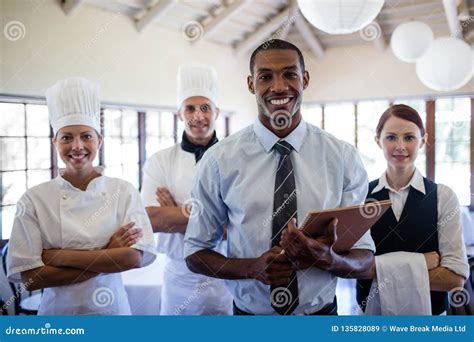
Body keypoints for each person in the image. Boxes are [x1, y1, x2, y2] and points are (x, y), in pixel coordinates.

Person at [184, 39, 375, 316]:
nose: (278, 87)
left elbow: (365, 259)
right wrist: (251, 268)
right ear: (251, 84)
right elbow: (195, 253)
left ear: (305, 79)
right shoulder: (218, 160)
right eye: (265, 77)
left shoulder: (342, 157)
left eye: (289, 74)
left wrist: (330, 260)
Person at [7, 77, 156, 315]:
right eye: (67, 137)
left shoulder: (123, 191)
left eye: (86, 136)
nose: (77, 146)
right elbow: (31, 278)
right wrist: (107, 252)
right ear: (55, 142)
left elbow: (132, 258)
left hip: (112, 313)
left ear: (99, 140)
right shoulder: (34, 199)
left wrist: (59, 256)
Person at [356, 104, 469, 315]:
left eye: (409, 137)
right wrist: (421, 262)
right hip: (371, 319)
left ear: (423, 141)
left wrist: (376, 269)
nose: (400, 146)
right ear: (377, 140)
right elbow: (349, 267)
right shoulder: (359, 196)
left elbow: (454, 278)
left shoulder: (443, 197)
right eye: (391, 137)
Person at [141, 65, 232, 315]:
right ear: (180, 113)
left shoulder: (235, 158)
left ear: (217, 112)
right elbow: (152, 219)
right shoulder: (160, 160)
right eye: (190, 108)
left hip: (226, 275)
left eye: (205, 107)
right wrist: (216, 219)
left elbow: (240, 225)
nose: (198, 115)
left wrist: (175, 212)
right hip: (178, 277)